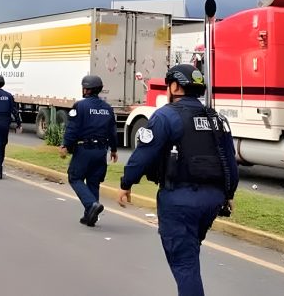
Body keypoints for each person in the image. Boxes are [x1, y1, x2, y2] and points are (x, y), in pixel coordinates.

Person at [117, 64, 239, 296]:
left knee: (184, 263)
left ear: (174, 86)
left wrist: (126, 183)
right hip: (213, 200)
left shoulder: (166, 116)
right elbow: (229, 159)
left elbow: (143, 154)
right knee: (190, 254)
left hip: (180, 199)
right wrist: (230, 193)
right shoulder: (217, 119)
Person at [60, 75, 118, 227]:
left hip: (84, 149)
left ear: (86, 89)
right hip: (101, 151)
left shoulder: (80, 106)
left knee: (75, 177)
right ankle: (90, 216)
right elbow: (112, 131)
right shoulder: (107, 108)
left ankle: (91, 204)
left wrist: (65, 144)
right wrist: (114, 149)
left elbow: (73, 127)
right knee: (94, 182)